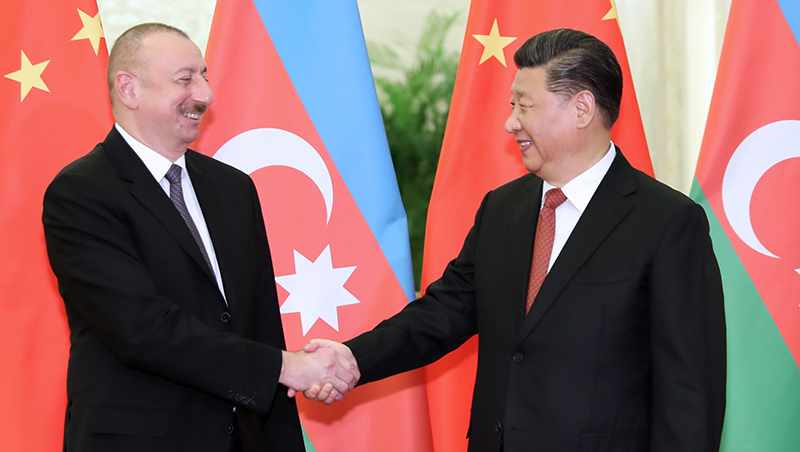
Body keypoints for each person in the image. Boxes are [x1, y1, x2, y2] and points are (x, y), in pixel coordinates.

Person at [304, 28, 727, 451]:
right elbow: (443, 313)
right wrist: (352, 358)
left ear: (582, 109)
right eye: (512, 106)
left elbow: (690, 394)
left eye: (524, 106)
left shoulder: (667, 223)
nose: (511, 123)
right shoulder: (502, 209)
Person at [42, 23, 357, 452]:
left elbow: (261, 326)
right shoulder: (82, 192)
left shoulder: (233, 187)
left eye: (204, 76)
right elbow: (142, 329)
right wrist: (285, 368)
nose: (205, 95)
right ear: (129, 89)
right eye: (185, 79)